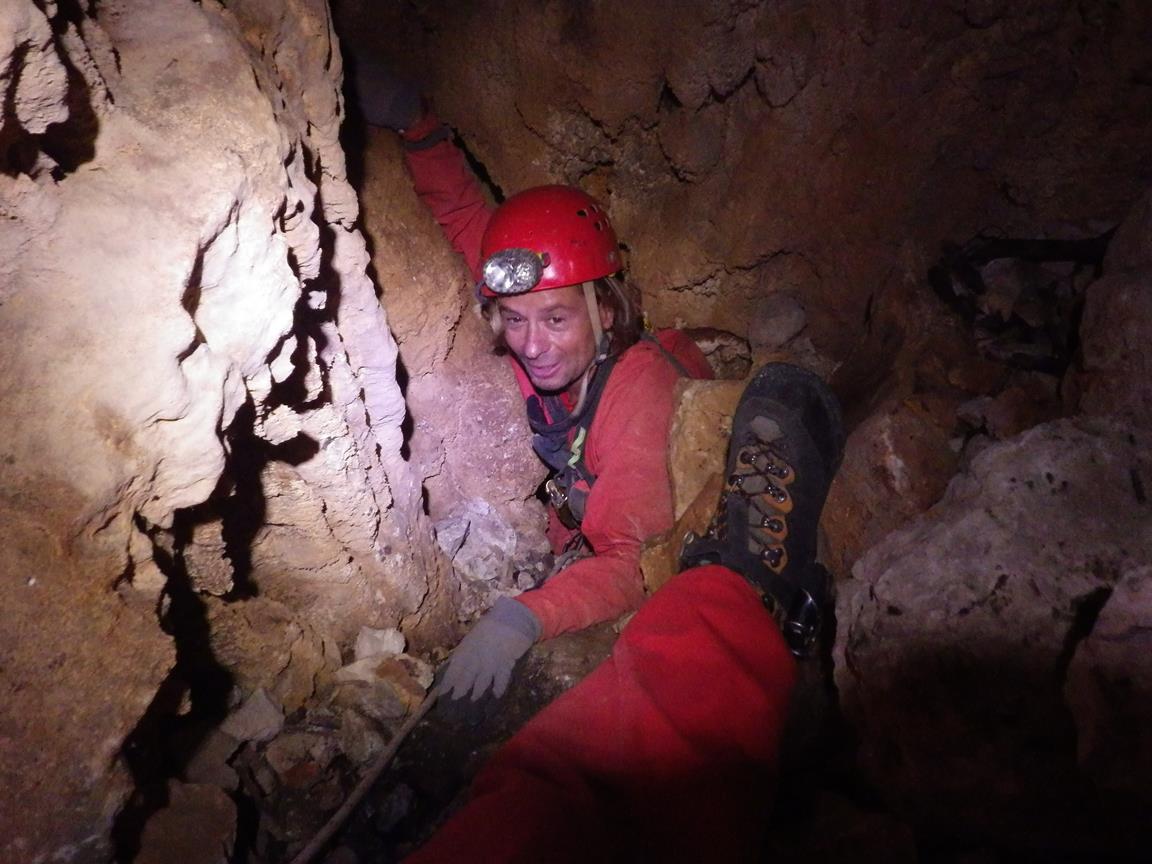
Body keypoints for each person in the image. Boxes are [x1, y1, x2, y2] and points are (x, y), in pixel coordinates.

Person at [352, 62, 845, 861]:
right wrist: (419, 126)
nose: (533, 344)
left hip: (644, 502)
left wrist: (525, 614)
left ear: (601, 306)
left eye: (555, 318)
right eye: (513, 320)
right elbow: (470, 221)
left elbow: (628, 558)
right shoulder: (538, 324)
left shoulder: (635, 393)